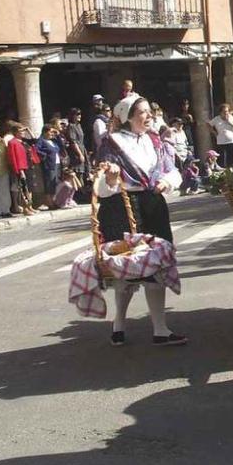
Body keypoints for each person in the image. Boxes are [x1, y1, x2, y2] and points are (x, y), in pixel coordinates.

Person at [96, 93, 186, 347]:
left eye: (149, 112)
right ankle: (119, 324)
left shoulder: (155, 141)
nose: (149, 116)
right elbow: (101, 186)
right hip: (122, 208)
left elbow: (172, 169)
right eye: (143, 113)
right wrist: (112, 178)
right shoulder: (112, 143)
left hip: (153, 205)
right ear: (128, 117)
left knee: (156, 266)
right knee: (127, 269)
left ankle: (160, 329)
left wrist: (167, 182)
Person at [6, 123, 36, 216]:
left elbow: (34, 140)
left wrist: (28, 130)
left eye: (23, 131)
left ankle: (29, 206)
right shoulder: (12, 142)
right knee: (23, 189)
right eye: (21, 131)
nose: (23, 132)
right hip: (20, 168)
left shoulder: (23, 141)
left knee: (29, 188)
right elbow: (14, 157)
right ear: (16, 132)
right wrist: (19, 170)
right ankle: (24, 208)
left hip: (28, 166)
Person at [35, 124, 62, 209]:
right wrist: (45, 156)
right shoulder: (41, 140)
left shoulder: (53, 141)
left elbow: (60, 146)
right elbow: (36, 149)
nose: (52, 134)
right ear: (45, 132)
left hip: (56, 163)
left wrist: (57, 135)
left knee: (55, 182)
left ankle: (54, 200)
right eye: (50, 132)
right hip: (49, 164)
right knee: (49, 183)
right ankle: (49, 202)